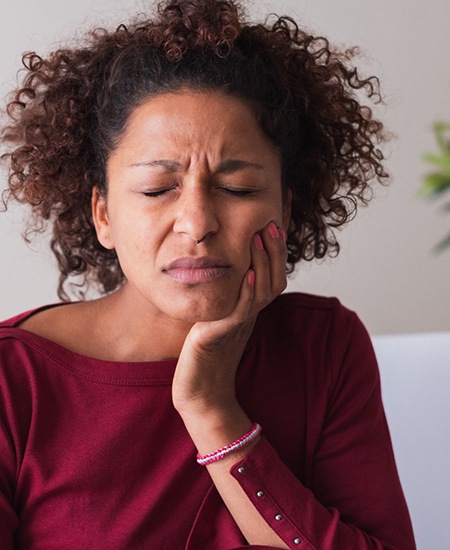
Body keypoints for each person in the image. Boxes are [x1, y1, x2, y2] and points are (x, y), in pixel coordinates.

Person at [0, 0, 416, 548]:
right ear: (103, 214)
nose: (197, 223)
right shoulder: (14, 380)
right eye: (156, 190)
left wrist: (211, 407)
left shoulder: (324, 347)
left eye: (238, 189)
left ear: (285, 212)